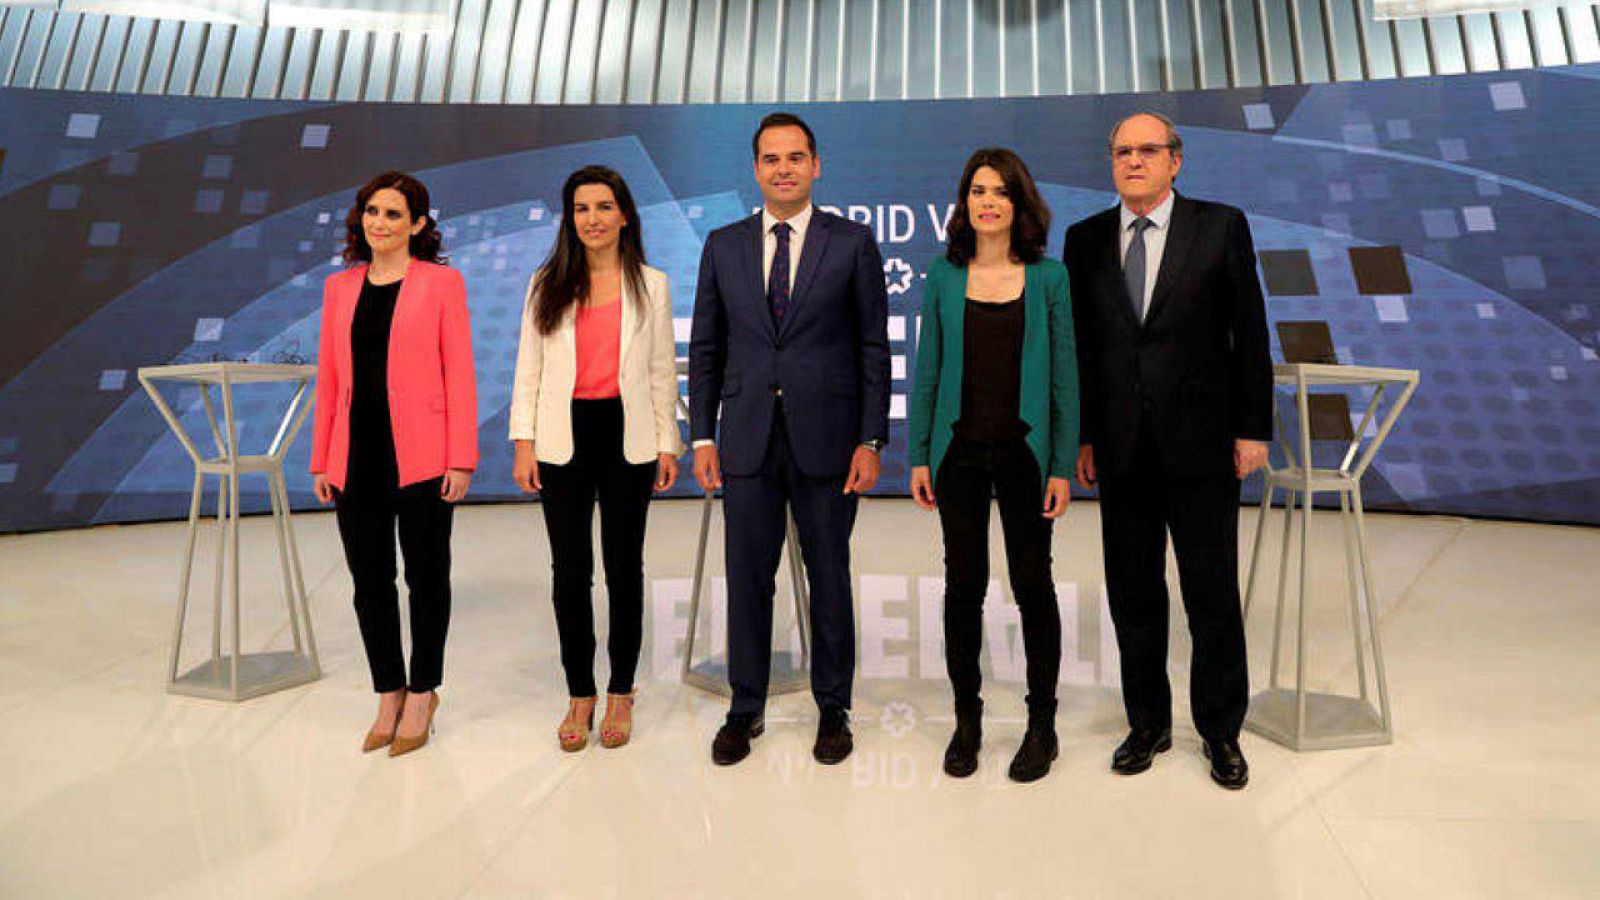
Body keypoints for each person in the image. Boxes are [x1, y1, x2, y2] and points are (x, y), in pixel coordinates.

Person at [1062, 113, 1272, 789]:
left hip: (1204, 445)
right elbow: (1084, 353)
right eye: (1121, 151)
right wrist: (1085, 436)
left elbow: (1250, 334)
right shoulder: (1085, 239)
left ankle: (1220, 731)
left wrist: (1253, 430)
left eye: (1147, 150)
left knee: (1210, 593)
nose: (1133, 161)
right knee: (1133, 594)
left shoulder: (1220, 226)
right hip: (1120, 449)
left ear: (1175, 160)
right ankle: (1146, 723)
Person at [688, 112, 891, 767]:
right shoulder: (723, 244)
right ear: (755, 169)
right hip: (745, 438)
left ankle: (834, 708)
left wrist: (871, 440)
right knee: (748, 579)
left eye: (795, 157)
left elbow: (871, 347)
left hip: (829, 441)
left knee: (828, 575)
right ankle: (745, 707)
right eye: (771, 159)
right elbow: (708, 346)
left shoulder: (852, 242)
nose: (783, 168)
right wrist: (701, 437)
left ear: (816, 166)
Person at [907, 148, 1078, 783]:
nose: (988, 201)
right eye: (977, 189)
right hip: (958, 455)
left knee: (1034, 587)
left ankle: (1043, 724)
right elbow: (928, 372)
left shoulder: (1050, 277)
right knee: (963, 586)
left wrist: (1062, 463)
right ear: (964, 201)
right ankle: (967, 720)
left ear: (1019, 203)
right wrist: (919, 452)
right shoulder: (942, 276)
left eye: (1001, 191)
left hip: (1026, 454)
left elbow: (1065, 379)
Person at [509, 166, 684, 752]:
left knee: (624, 569)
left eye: (604, 206)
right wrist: (524, 442)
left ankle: (621, 691)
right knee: (569, 572)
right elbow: (528, 368)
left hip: (627, 435)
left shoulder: (651, 284)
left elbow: (661, 369)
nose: (593, 218)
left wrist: (668, 442)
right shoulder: (546, 283)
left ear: (625, 214)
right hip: (563, 437)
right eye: (582, 208)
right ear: (570, 218)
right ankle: (579, 691)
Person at [310, 170, 478, 757]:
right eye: (372, 212)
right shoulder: (339, 288)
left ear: (419, 225)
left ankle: (425, 691)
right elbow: (329, 379)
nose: (380, 223)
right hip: (354, 457)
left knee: (427, 579)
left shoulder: (441, 283)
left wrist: (462, 458)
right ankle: (389, 691)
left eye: (394, 215)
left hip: (425, 456)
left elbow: (460, 372)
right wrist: (320, 457)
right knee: (369, 583)